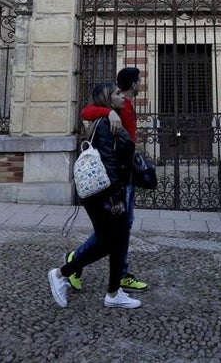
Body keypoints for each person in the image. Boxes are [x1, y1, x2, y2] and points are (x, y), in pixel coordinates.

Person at [47, 83, 140, 309]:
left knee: (114, 243)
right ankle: (61, 274)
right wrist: (117, 197)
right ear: (108, 99)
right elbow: (109, 163)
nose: (123, 97)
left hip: (103, 192)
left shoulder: (112, 118)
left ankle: (113, 293)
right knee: (108, 243)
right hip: (105, 194)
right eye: (117, 94)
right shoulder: (107, 124)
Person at [64, 66, 148, 292]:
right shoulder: (117, 108)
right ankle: (76, 260)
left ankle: (117, 273)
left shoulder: (126, 106)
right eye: (139, 81)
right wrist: (107, 112)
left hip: (125, 173)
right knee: (115, 229)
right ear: (133, 84)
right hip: (116, 177)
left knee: (122, 226)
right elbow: (86, 112)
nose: (140, 84)